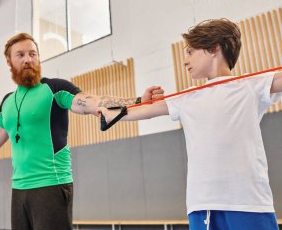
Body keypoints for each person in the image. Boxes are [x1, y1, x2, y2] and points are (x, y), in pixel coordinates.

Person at [0, 33, 164, 230]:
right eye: (20, 55)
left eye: (33, 53)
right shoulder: (8, 102)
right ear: (9, 61)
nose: (28, 59)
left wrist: (136, 101)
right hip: (19, 189)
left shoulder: (54, 89)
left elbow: (91, 102)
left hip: (51, 185)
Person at [99, 19, 282, 230]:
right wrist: (125, 108)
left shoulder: (251, 85)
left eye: (190, 52)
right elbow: (141, 111)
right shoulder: (187, 97)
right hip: (202, 204)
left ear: (214, 48)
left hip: (249, 203)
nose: (185, 61)